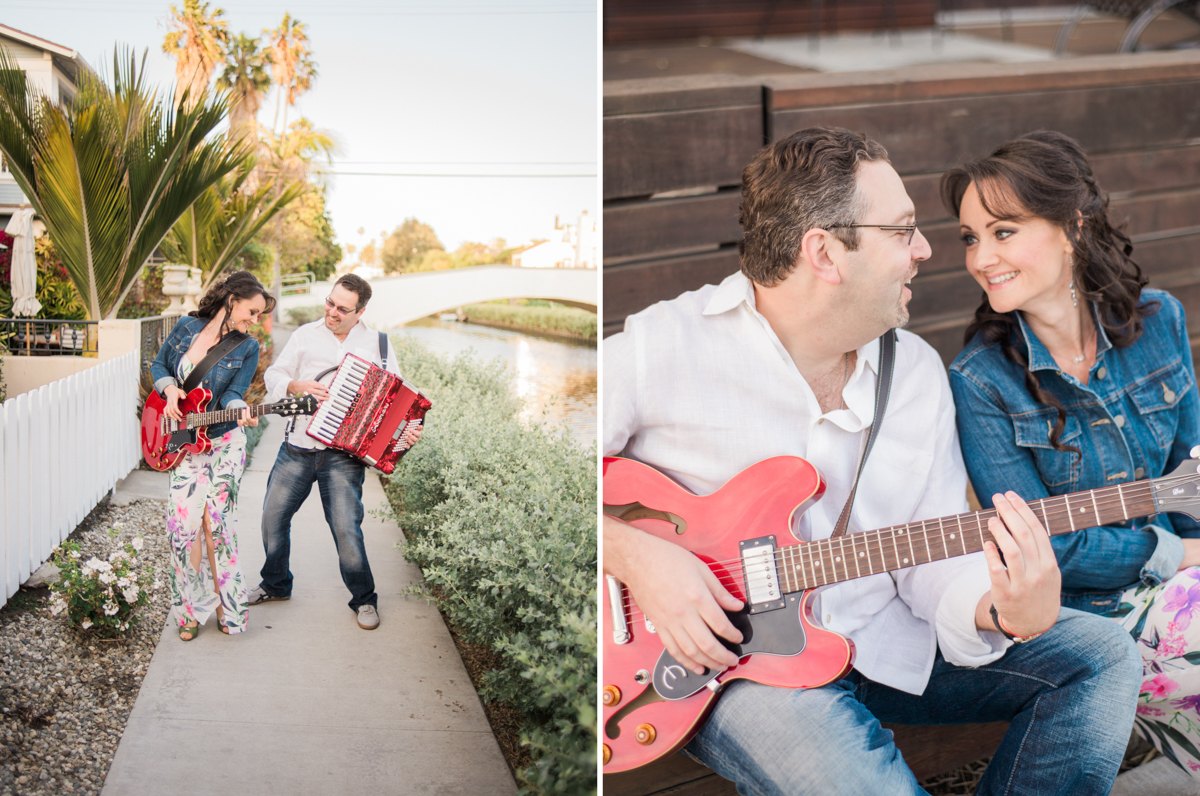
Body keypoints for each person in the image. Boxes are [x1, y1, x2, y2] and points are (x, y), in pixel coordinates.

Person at [603, 126, 1142, 795]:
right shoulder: (665, 348)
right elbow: (546, 465)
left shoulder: (912, 370)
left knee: (1102, 655)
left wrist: (1002, 611)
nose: (925, 249)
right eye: (902, 230)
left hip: (882, 639)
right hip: (722, 663)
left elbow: (933, 558)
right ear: (825, 252)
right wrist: (637, 557)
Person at [947, 130, 1200, 778]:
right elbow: (1043, 546)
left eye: (1003, 231)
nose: (981, 257)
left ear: (1071, 227)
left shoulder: (1158, 319)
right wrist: (1177, 555)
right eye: (972, 237)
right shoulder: (982, 381)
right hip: (1090, 616)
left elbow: (1190, 481)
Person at [248, 273, 421, 630]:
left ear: (360, 311)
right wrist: (294, 384)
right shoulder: (305, 335)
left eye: (343, 309)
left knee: (346, 529)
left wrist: (407, 431)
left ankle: (364, 599)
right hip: (298, 447)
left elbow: (398, 400)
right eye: (330, 302)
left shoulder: (380, 345)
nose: (332, 312)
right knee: (271, 519)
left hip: (344, 455)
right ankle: (276, 584)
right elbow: (274, 375)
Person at [150, 270, 271, 640]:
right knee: (181, 531)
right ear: (232, 300)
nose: (255, 321)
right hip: (185, 444)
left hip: (223, 443)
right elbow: (157, 366)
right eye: (252, 311)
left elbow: (234, 392)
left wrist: (241, 409)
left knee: (216, 526)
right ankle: (189, 609)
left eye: (260, 315)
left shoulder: (247, 347)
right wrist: (170, 390)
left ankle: (227, 608)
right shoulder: (186, 327)